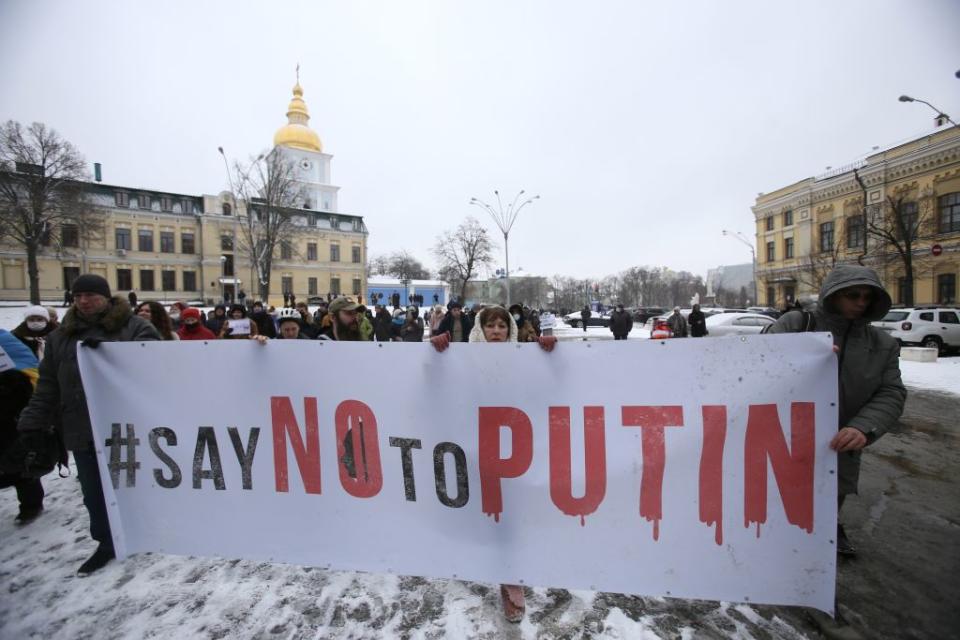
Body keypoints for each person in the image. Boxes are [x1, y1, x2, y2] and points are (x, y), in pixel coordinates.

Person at [766, 266, 906, 638]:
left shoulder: (883, 345)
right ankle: (759, 577)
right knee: (764, 518)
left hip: (834, 455)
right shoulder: (798, 324)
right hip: (776, 445)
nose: (860, 303)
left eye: (867, 297)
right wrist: (794, 357)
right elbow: (751, 362)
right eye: (852, 295)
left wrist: (863, 427)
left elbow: (891, 393)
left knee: (820, 527)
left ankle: (814, 596)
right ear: (833, 293)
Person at [17, 274, 160, 574]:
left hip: (127, 428)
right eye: (78, 296)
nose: (84, 301)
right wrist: (31, 423)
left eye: (91, 295)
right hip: (82, 427)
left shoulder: (135, 328)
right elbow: (48, 387)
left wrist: (114, 355)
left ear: (106, 297)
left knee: (135, 485)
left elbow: (157, 368)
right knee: (94, 492)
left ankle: (146, 531)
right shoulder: (60, 338)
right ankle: (106, 541)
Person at [429, 306, 557, 622]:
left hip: (512, 449)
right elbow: (434, 382)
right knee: (477, 512)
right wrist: (435, 345)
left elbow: (547, 387)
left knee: (508, 515)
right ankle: (472, 563)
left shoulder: (526, 357)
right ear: (480, 329)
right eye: (491, 326)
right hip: (472, 444)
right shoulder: (461, 357)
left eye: (502, 325)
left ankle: (511, 581)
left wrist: (548, 354)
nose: (497, 331)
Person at [0, 330, 44, 524]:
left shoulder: (3, 338)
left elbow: (30, 370)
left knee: (18, 458)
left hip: (7, 408)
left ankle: (31, 504)